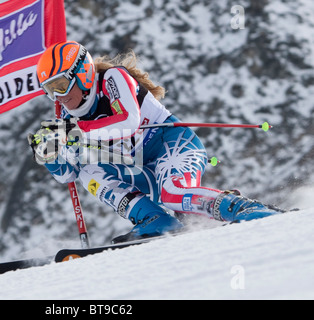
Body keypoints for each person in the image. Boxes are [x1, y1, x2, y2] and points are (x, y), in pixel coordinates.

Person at [28, 40, 285, 243]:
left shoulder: (112, 80)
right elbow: (68, 173)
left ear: (82, 73)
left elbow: (128, 120)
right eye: (49, 90)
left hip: (172, 145)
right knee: (88, 172)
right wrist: (49, 154)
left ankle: (242, 208)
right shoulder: (65, 114)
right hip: (138, 164)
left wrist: (77, 131)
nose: (57, 96)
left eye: (60, 85)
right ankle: (154, 219)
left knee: (174, 194)